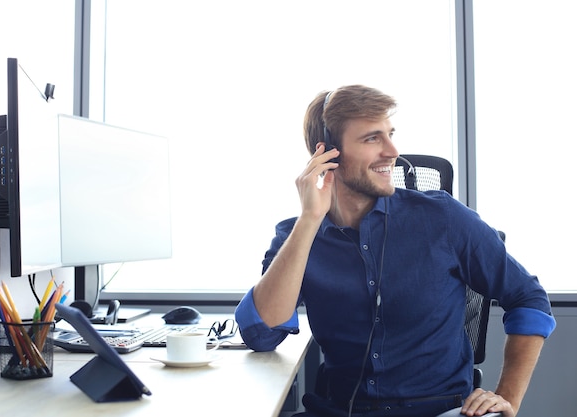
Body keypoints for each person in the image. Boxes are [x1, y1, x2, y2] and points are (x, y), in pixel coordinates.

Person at [234, 85, 555, 417]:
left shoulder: (442, 217)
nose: (393, 151)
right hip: (343, 410)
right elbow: (261, 333)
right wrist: (310, 219)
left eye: (390, 134)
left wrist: (507, 398)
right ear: (328, 152)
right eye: (373, 138)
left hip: (440, 411)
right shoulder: (296, 236)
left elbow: (528, 297)